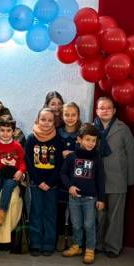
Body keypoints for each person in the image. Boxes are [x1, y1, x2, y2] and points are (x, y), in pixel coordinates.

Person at [93, 97, 134, 258]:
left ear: (114, 110)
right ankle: (96, 243)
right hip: (96, 179)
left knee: (115, 215)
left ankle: (112, 247)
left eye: (108, 108)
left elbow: (131, 153)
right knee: (98, 214)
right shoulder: (90, 128)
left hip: (118, 178)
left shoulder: (122, 128)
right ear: (96, 111)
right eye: (101, 108)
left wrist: (130, 179)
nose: (105, 110)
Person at [60, 123, 105, 264]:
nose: (91, 143)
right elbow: (63, 174)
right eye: (87, 139)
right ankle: (77, 246)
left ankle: (90, 248)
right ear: (79, 139)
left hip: (90, 198)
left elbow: (100, 179)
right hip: (74, 198)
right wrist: (70, 187)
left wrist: (101, 198)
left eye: (93, 140)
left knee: (89, 224)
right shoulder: (71, 157)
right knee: (76, 224)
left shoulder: (97, 158)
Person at [25, 108, 64, 256]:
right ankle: (35, 243)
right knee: (36, 212)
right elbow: (29, 162)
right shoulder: (30, 139)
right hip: (36, 183)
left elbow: (59, 163)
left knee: (50, 213)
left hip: (52, 184)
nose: (46, 123)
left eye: (50, 120)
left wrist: (50, 182)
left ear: (54, 122)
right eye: (43, 120)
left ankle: (48, 243)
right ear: (37, 120)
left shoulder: (57, 139)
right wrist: (39, 181)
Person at [0, 119, 26, 233]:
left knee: (8, 186)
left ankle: (1, 212)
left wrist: (21, 171)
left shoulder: (17, 146)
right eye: (2, 130)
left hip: (12, 176)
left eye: (8, 130)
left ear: (13, 132)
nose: (5, 133)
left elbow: (23, 162)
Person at [56, 102, 82, 249]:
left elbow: (88, 152)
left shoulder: (82, 133)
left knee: (75, 212)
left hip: (76, 178)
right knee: (59, 209)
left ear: (78, 116)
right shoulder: (57, 132)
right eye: (67, 114)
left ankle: (74, 240)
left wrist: (72, 154)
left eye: (73, 115)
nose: (70, 118)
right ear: (62, 115)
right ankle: (60, 238)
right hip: (60, 177)